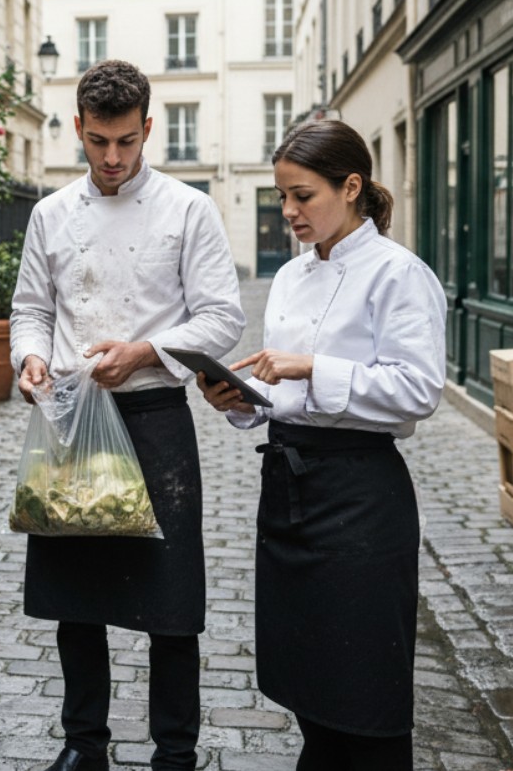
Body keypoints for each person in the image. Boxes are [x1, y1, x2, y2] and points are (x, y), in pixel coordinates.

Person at [11, 59, 245, 771]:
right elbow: (31, 310)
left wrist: (146, 348)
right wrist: (28, 358)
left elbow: (223, 318)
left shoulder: (188, 209)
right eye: (98, 142)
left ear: (149, 129)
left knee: (172, 601)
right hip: (74, 420)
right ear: (79, 129)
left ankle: (176, 751)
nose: (112, 159)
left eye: (126, 142)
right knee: (75, 596)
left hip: (155, 420)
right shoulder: (50, 214)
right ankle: (85, 745)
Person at [197, 118, 445, 770]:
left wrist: (311, 366)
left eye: (302, 195)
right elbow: (284, 397)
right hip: (288, 492)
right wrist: (239, 400)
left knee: (367, 691)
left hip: (361, 498)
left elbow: (418, 390)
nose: (289, 211)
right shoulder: (289, 277)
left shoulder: (399, 274)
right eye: (282, 196)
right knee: (309, 681)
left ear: (352, 186)